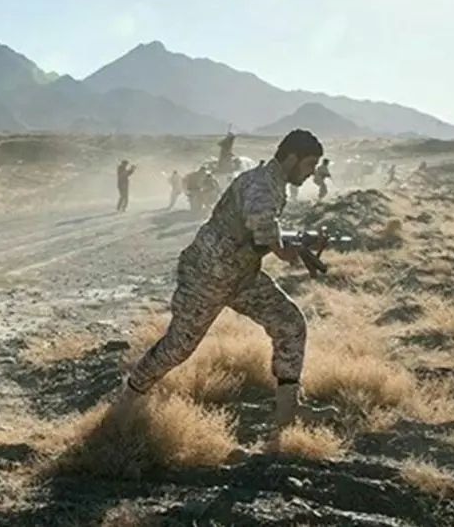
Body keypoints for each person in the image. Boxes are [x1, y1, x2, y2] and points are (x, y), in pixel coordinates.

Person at [117, 129, 339, 450]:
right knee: (179, 346)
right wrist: (285, 249)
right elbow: (262, 225)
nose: (309, 173)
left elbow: (258, 230)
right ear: (290, 158)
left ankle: (287, 410)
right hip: (206, 275)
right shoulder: (262, 183)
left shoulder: (274, 183)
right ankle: (129, 398)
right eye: (307, 165)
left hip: (241, 277)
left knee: (290, 324)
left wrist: (299, 239)